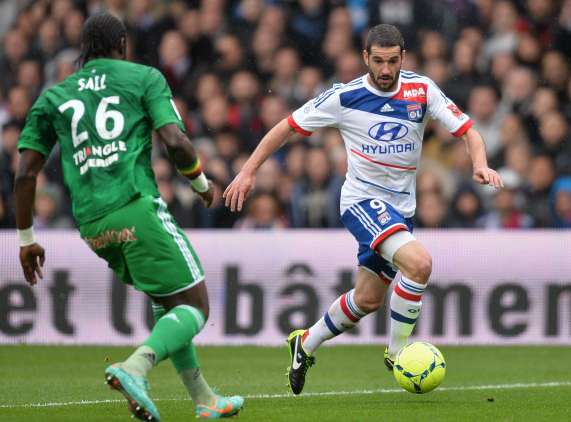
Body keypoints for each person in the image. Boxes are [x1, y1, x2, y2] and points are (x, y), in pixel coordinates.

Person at [223, 24, 504, 395]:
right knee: (419, 264)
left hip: (401, 209)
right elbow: (286, 127)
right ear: (365, 58)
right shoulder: (345, 97)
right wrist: (248, 170)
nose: (386, 70)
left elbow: (468, 130)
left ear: (403, 57)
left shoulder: (421, 89)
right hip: (361, 202)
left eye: (392, 61)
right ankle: (397, 353)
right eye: (378, 61)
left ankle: (305, 342)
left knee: (368, 299)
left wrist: (479, 164)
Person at [14, 13, 243, 421]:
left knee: (166, 299)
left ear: (84, 49)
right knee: (196, 307)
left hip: (92, 224)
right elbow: (176, 141)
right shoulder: (143, 78)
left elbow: (25, 173)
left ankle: (204, 399)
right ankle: (134, 367)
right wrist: (201, 184)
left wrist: (27, 238)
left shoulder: (54, 97)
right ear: (121, 43)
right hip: (134, 203)